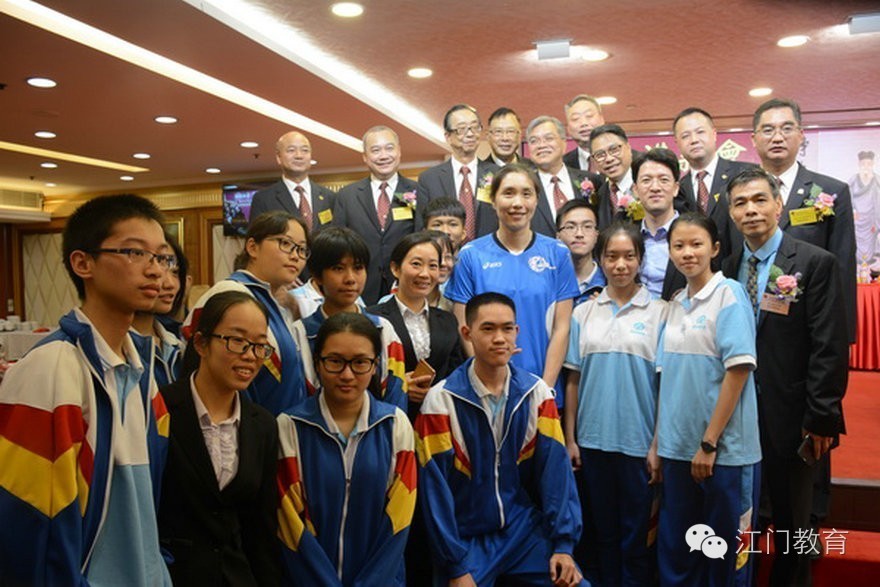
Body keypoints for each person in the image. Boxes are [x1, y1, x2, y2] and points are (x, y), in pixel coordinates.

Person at [0, 194, 174, 585]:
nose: (155, 271)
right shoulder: (53, 367)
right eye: (135, 252)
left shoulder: (142, 369)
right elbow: (30, 524)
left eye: (162, 257)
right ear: (83, 263)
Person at [722, 167, 848, 585]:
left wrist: (821, 418)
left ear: (779, 204)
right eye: (741, 203)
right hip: (739, 416)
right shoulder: (725, 268)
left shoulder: (814, 263)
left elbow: (828, 346)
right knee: (747, 518)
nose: (751, 210)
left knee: (796, 526)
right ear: (731, 212)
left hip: (794, 416)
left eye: (760, 200)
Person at [416, 292, 585, 586]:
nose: (499, 338)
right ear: (466, 333)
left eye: (507, 328)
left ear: (517, 333)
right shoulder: (440, 402)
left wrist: (563, 546)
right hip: (465, 538)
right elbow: (434, 494)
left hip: (522, 530)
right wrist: (455, 566)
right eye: (488, 328)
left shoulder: (536, 395)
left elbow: (556, 474)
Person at [656, 213, 761, 586]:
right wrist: (658, 445)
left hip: (724, 454)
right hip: (677, 452)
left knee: (727, 556)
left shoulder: (728, 294)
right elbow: (667, 382)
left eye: (697, 244)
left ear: (715, 248)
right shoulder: (673, 304)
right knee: (678, 548)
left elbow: (738, 371)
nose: (688, 253)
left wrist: (709, 442)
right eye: (679, 246)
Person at [277, 312, 416, 586]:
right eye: (335, 362)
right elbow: (291, 525)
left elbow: (398, 522)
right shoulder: (289, 427)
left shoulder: (396, 424)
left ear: (376, 365)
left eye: (360, 362)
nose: (347, 374)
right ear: (317, 363)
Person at [564, 222, 665, 585]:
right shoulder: (583, 313)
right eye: (611, 256)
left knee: (637, 538)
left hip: (639, 445)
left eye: (628, 256)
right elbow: (572, 380)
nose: (620, 264)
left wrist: (657, 444)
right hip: (592, 442)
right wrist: (571, 438)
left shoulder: (660, 312)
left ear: (640, 260)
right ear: (600, 259)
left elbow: (664, 386)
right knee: (601, 534)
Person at [159, 291, 280, 585]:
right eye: (237, 341)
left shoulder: (262, 424)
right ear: (201, 343)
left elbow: (260, 529)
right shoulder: (160, 408)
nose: (250, 356)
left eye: (260, 346)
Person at [445, 163, 580, 407]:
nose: (517, 203)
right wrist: (485, 383)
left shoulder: (557, 253)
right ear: (493, 201)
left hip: (544, 387)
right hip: (485, 394)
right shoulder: (471, 255)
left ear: (536, 200)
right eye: (508, 193)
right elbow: (464, 326)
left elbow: (562, 328)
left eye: (526, 193)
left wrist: (545, 389)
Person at [751, 98, 856, 342]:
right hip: (750, 319)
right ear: (754, 139)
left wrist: (843, 333)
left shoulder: (832, 191)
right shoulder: (735, 193)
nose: (777, 137)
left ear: (801, 135)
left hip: (810, 320)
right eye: (768, 130)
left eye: (787, 128)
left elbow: (843, 265)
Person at [184, 211, 309, 416]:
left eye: (302, 249)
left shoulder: (274, 302)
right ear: (252, 247)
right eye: (285, 244)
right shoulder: (230, 293)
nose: (295, 255)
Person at [292, 227, 407, 410]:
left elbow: (396, 396)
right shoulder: (299, 334)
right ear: (316, 275)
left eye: (358, 268)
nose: (350, 279)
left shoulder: (383, 330)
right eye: (338, 268)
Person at [368, 232, 465, 419]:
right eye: (416, 264)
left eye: (433, 266)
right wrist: (400, 386)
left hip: (438, 421)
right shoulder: (373, 318)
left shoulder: (448, 320)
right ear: (395, 269)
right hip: (389, 417)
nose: (425, 274)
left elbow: (456, 372)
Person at [333, 125, 418, 304]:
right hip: (360, 288)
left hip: (406, 284)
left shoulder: (418, 192)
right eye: (375, 150)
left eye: (389, 148)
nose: (383, 155)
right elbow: (338, 245)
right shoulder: (347, 196)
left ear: (399, 151)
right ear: (365, 157)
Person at [672, 106, 756, 259]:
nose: (694, 140)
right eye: (685, 136)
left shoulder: (745, 173)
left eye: (700, 132)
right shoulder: (678, 189)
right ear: (677, 142)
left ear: (714, 134)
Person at [417, 104, 500, 240]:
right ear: (448, 136)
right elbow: (421, 228)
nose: (470, 134)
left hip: (490, 254)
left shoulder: (497, 174)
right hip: (445, 255)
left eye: (475, 127)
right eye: (462, 129)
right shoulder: (429, 179)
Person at [248, 130, 336, 234]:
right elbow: (257, 241)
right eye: (291, 150)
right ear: (278, 157)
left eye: (305, 150)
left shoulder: (329, 197)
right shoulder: (263, 199)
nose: (299, 155)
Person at [525, 115, 598, 237]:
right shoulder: (524, 186)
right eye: (534, 141)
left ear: (564, 143)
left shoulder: (592, 181)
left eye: (548, 138)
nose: (541, 145)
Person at [632, 148, 687, 300]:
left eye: (663, 180)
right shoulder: (627, 236)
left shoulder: (694, 234)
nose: (655, 188)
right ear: (635, 190)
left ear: (676, 188)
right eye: (646, 180)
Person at [132, 235, 187, 388]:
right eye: (159, 273)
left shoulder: (176, 345)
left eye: (175, 272)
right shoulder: (117, 349)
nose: (170, 284)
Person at [555, 199, 605, 306]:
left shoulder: (610, 284)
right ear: (558, 237)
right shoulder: (549, 283)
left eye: (587, 226)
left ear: (596, 235)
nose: (579, 234)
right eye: (570, 227)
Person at [590, 124, 637, 229]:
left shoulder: (645, 184)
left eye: (614, 149)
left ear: (629, 148)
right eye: (600, 155)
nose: (609, 159)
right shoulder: (600, 194)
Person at [848, 150, 880, 268]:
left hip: (871, 218)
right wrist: (853, 210)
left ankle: (870, 263)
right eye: (863, 164)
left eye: (869, 164)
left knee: (870, 240)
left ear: (872, 165)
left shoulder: (877, 180)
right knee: (856, 240)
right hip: (857, 217)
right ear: (859, 165)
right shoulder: (853, 180)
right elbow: (848, 196)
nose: (866, 167)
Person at [563, 94, 606, 172]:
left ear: (602, 119)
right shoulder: (562, 165)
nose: (583, 123)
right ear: (568, 128)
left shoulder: (627, 158)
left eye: (589, 116)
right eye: (575, 119)